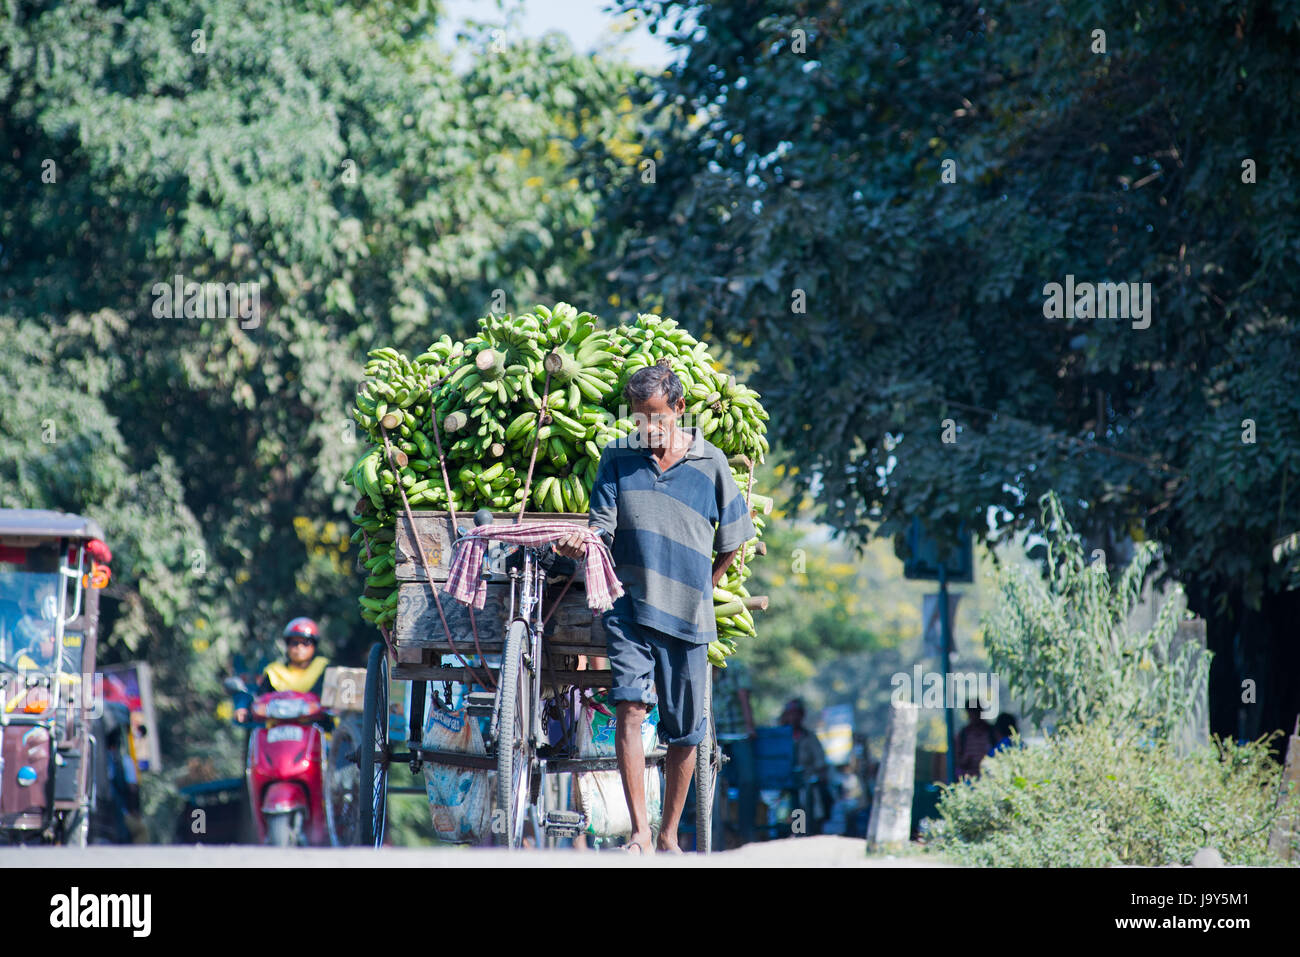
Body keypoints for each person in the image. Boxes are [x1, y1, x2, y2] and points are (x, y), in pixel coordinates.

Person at [555, 359, 756, 854]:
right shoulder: (617, 459)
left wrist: (704, 586)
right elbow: (600, 529)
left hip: (689, 616)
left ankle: (668, 834)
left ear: (679, 409)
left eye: (656, 415)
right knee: (629, 707)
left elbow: (735, 539)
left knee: (686, 732)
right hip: (628, 610)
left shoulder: (711, 465)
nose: (647, 427)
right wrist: (578, 544)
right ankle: (640, 834)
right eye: (638, 416)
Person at [234, 617, 331, 723]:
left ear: (314, 646)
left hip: (315, 728)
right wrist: (243, 707)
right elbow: (258, 697)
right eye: (294, 643)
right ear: (287, 646)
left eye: (306, 642)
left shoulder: (323, 668)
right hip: (276, 730)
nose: (299, 647)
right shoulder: (274, 672)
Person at [709, 655, 759, 848]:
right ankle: (715, 829)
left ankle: (747, 830)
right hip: (716, 737)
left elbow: (743, 697)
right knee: (711, 783)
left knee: (748, 780)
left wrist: (749, 726)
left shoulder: (736, 668)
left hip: (739, 733)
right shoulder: (702, 667)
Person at [779, 698, 832, 833]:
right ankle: (791, 829)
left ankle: (806, 830)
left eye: (797, 714)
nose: (794, 717)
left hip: (807, 781)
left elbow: (820, 761)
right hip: (783, 783)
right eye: (791, 714)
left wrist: (819, 775)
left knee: (812, 797)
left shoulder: (810, 737)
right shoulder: (779, 737)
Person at [955, 704, 997, 779]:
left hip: (990, 778)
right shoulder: (963, 735)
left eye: (976, 712)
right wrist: (965, 761)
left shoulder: (992, 733)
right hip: (969, 779)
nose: (974, 716)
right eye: (971, 712)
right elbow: (957, 760)